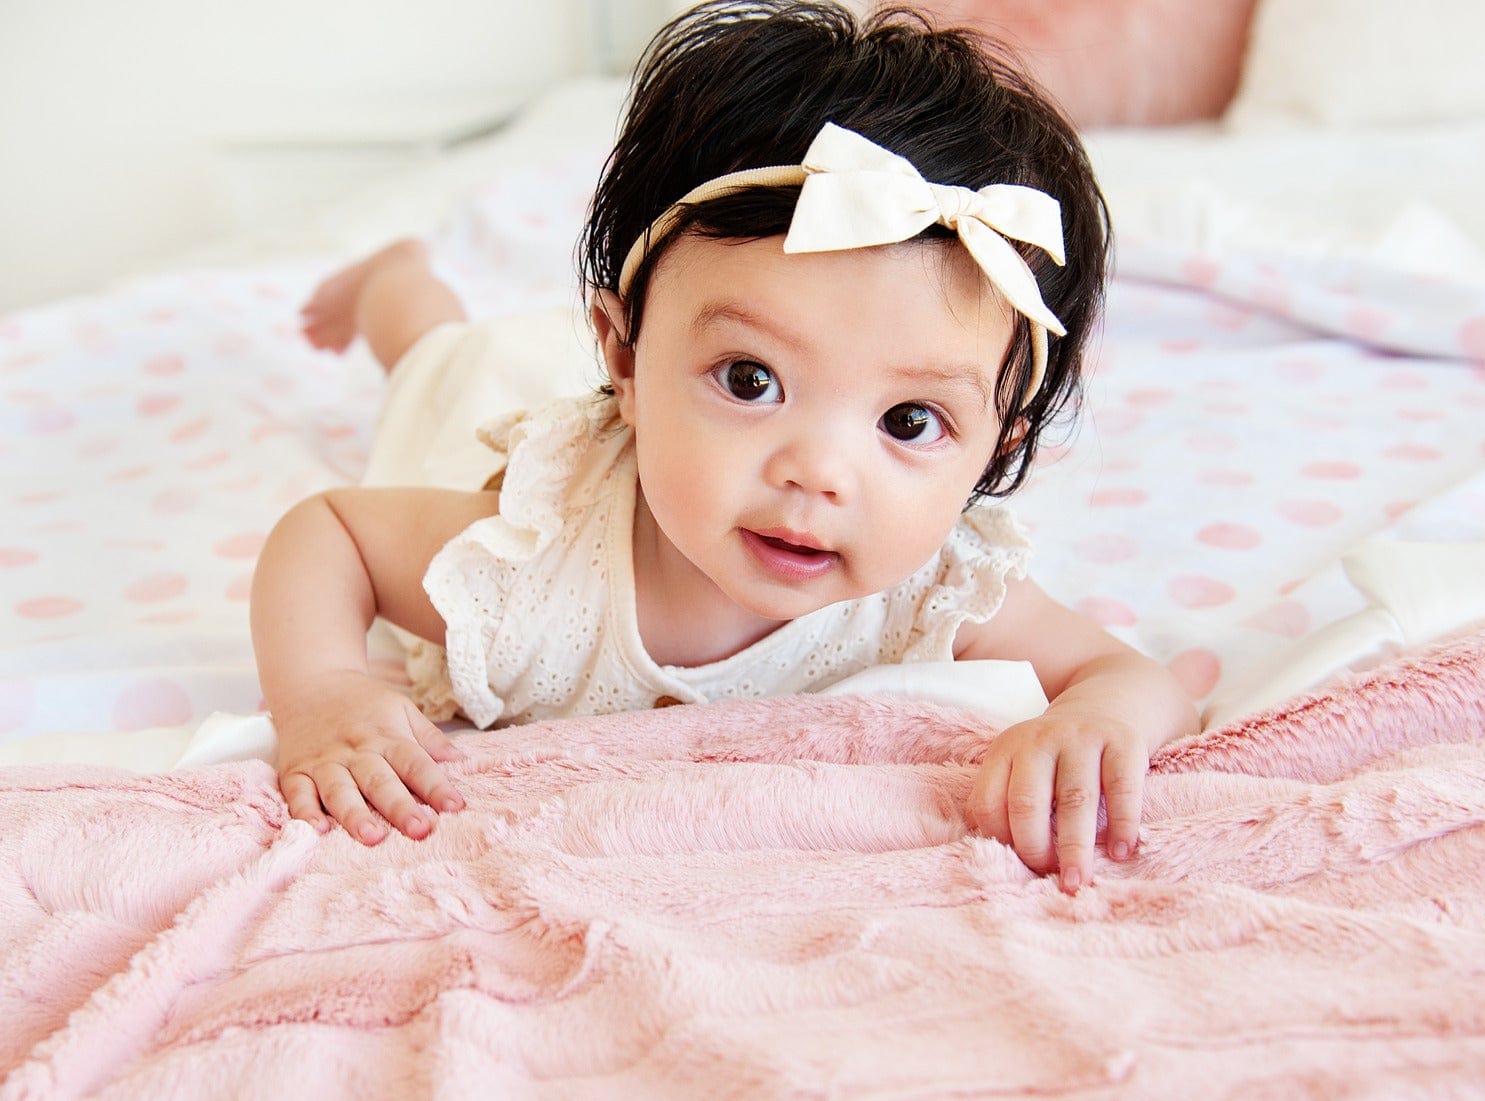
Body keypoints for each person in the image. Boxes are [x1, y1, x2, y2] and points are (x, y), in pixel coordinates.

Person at [251, 0, 1199, 892]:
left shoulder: (935, 587)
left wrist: (1096, 719)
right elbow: (330, 533)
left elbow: (1131, 677)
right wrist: (323, 691)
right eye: (750, 379)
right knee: (437, 349)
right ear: (625, 355)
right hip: (475, 409)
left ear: (993, 451)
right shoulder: (523, 559)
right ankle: (394, 278)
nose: (818, 473)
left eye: (909, 421)